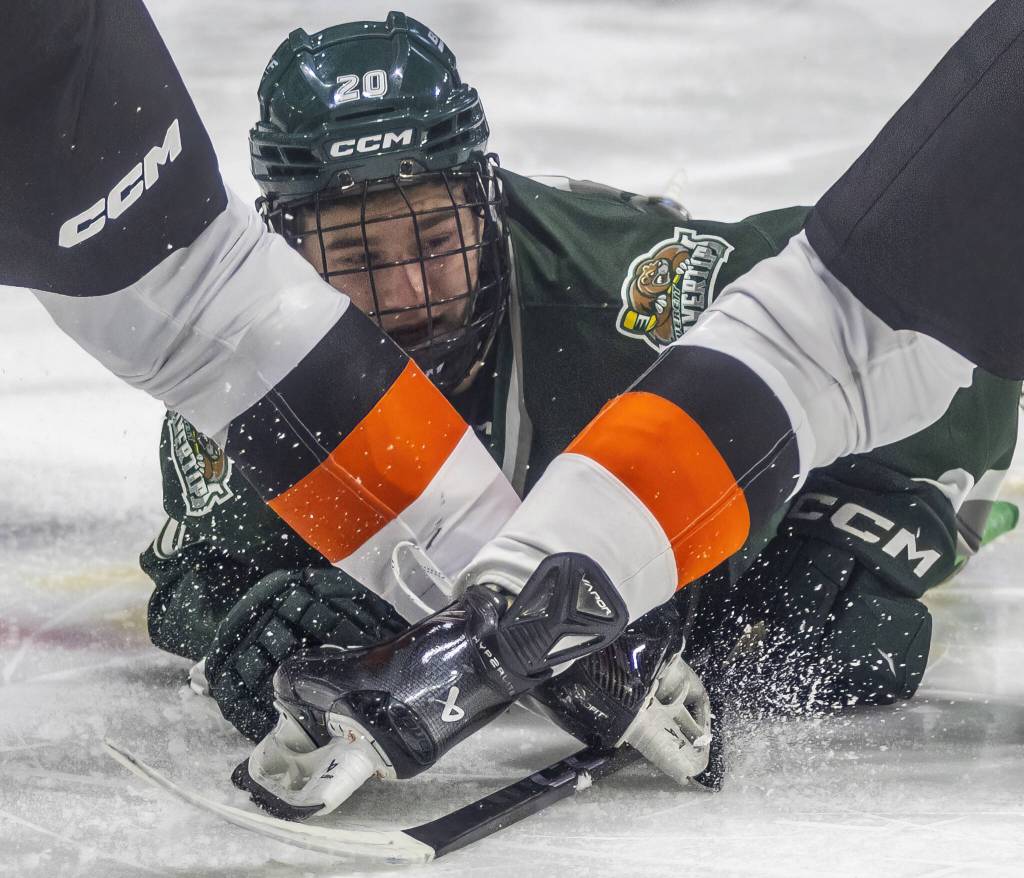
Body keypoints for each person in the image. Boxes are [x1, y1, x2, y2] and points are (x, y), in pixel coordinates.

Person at [4, 0, 1024, 816]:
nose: (404, 290)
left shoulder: (628, 285)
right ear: (286, 244)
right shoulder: (245, 362)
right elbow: (194, 579)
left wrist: (871, 529)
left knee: (841, 628)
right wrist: (252, 624)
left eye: (433, 238)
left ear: (485, 200)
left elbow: (926, 306)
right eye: (355, 256)